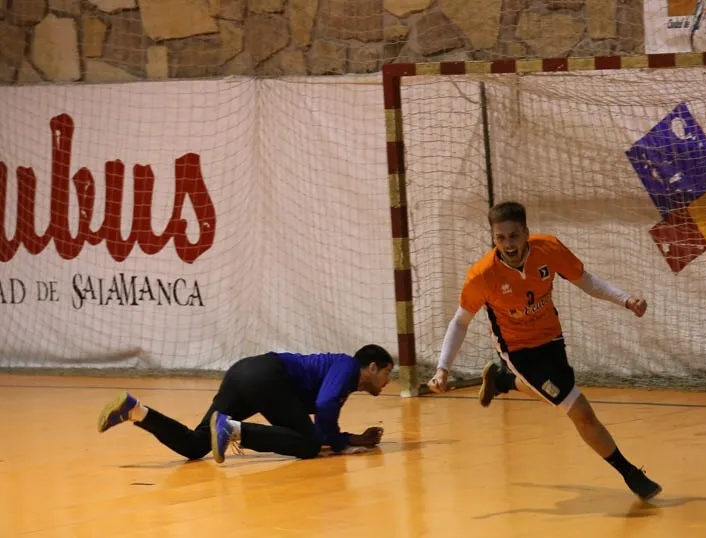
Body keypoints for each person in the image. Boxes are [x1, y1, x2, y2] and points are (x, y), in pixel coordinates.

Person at [426, 201, 662, 501]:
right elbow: (460, 322)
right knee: (581, 412)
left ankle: (503, 381)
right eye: (500, 238)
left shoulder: (548, 248)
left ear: (526, 232)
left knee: (556, 394)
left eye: (513, 236)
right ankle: (630, 473)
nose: (508, 245)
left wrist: (625, 299)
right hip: (518, 349)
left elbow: (585, 280)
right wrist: (442, 368)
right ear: (493, 238)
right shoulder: (482, 276)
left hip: (551, 337)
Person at [97, 345, 395, 463]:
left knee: (194, 445)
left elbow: (323, 414)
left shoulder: (344, 376)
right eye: (387, 373)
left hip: (244, 373)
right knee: (307, 446)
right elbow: (325, 405)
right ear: (371, 367)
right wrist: (342, 444)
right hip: (267, 376)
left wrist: (346, 438)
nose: (387, 381)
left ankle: (135, 411)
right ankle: (233, 430)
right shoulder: (346, 366)